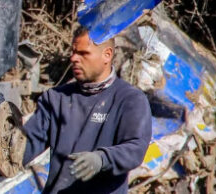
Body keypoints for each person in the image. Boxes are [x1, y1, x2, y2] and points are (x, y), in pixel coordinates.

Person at [22, 26, 152, 194]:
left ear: (107, 55)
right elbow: (26, 145)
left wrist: (101, 159)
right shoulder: (56, 98)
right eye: (74, 52)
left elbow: (135, 148)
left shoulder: (129, 100)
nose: (74, 58)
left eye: (83, 53)